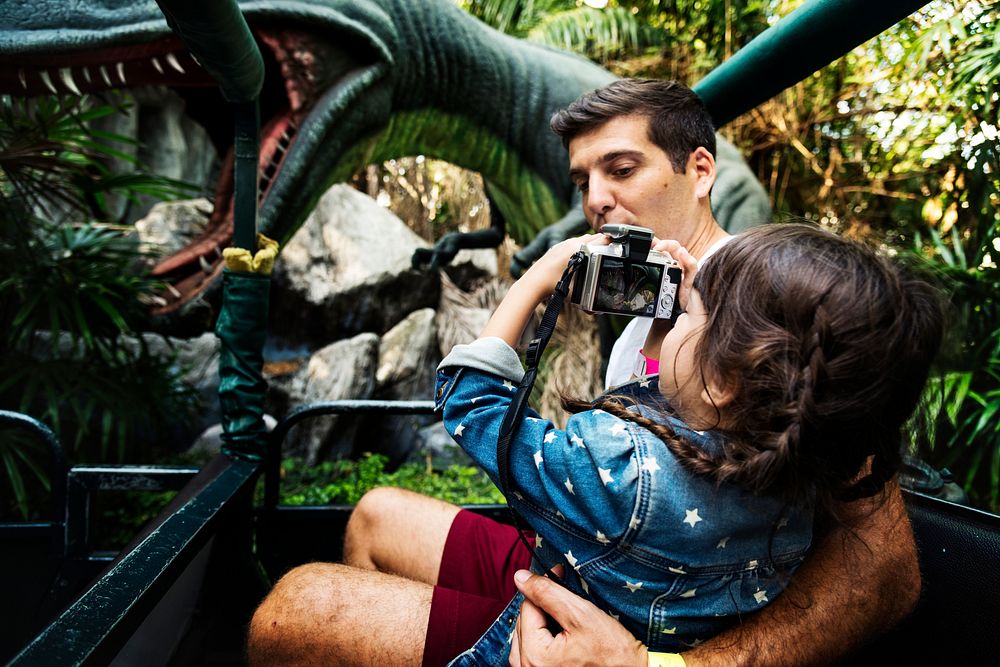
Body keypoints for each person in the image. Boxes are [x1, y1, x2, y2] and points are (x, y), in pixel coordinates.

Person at [247, 79, 928, 666]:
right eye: (583, 180)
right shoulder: (657, 311)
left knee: (292, 612)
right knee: (374, 512)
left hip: (647, 631)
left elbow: (883, 565)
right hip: (588, 564)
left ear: (700, 170)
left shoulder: (781, 321)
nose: (595, 198)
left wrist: (659, 663)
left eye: (622, 169)